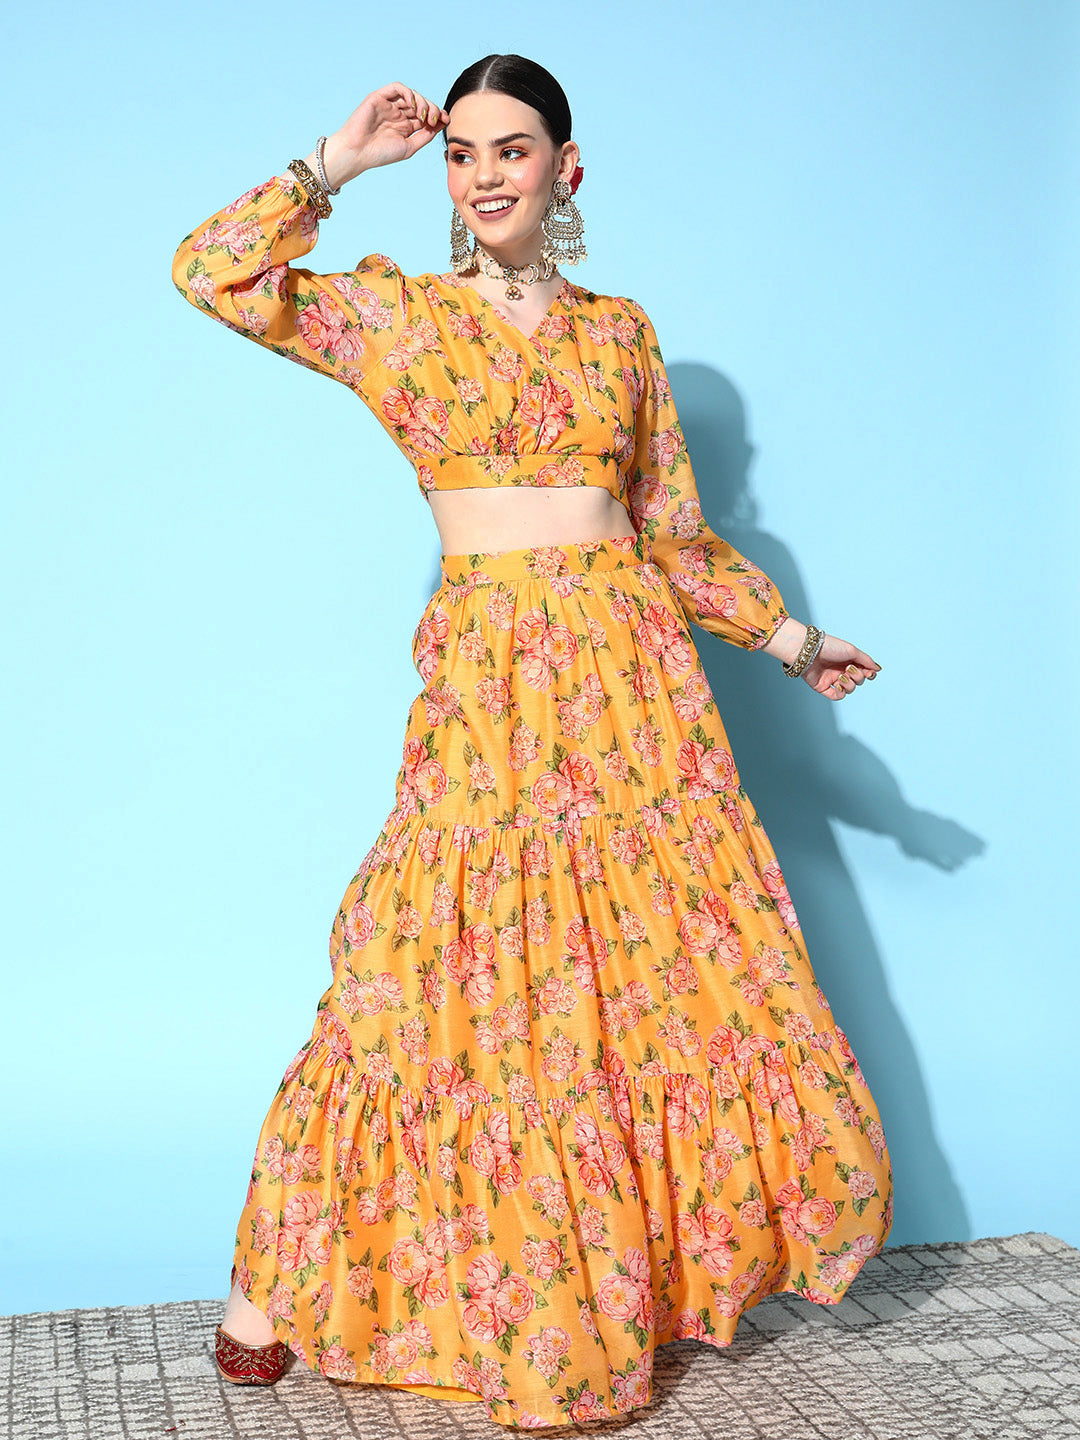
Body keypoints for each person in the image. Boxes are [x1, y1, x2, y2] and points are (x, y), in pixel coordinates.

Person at [172, 54, 893, 1429]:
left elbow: (672, 535)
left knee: (644, 987)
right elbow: (211, 274)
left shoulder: (621, 334)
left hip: (633, 684)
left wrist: (793, 642)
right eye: (463, 153)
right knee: (420, 971)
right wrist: (336, 162)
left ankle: (616, 1288)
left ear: (568, 165)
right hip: (492, 679)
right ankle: (274, 1288)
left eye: (513, 148)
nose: (485, 174)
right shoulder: (399, 319)